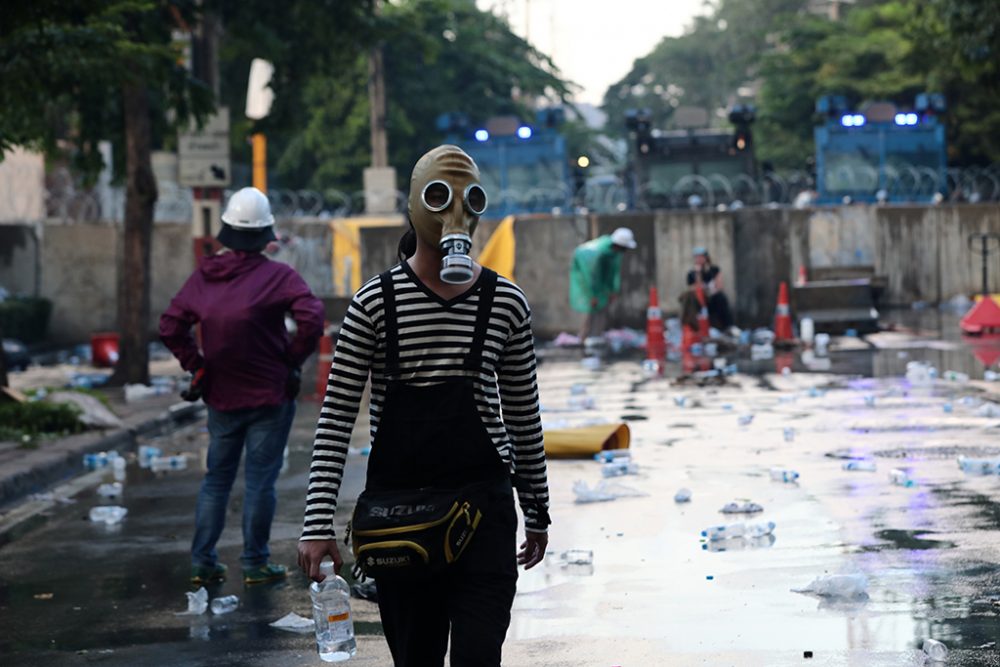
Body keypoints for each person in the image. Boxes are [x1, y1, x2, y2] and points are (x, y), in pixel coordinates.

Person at [298, 145, 550, 667]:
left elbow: (523, 414)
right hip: (399, 520)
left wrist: (537, 511)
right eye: (439, 197)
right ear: (415, 205)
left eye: (468, 199)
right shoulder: (374, 304)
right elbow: (337, 416)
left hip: (484, 514)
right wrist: (318, 524)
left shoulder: (506, 303)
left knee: (480, 657)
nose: (454, 214)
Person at [160, 186, 324, 586]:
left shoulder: (204, 276)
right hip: (270, 394)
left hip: (220, 395)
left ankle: (203, 562)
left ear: (228, 231)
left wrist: (197, 366)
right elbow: (312, 319)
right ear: (265, 233)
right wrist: (291, 358)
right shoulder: (277, 276)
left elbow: (170, 326)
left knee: (216, 479)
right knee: (260, 481)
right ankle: (254, 563)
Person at [569, 227, 637, 341]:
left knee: (600, 307)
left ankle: (594, 337)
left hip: (595, 276)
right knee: (591, 308)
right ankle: (584, 338)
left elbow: (613, 272)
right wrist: (592, 295)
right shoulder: (597, 254)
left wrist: (613, 290)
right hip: (585, 272)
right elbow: (591, 275)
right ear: (619, 245)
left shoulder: (613, 253)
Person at [684, 246, 735, 332]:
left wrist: (710, 290)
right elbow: (695, 288)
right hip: (699, 301)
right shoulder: (691, 274)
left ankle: (728, 327)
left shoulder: (714, 270)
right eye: (697, 257)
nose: (699, 259)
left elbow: (719, 286)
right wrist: (698, 273)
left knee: (721, 298)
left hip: (712, 298)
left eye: (701, 256)